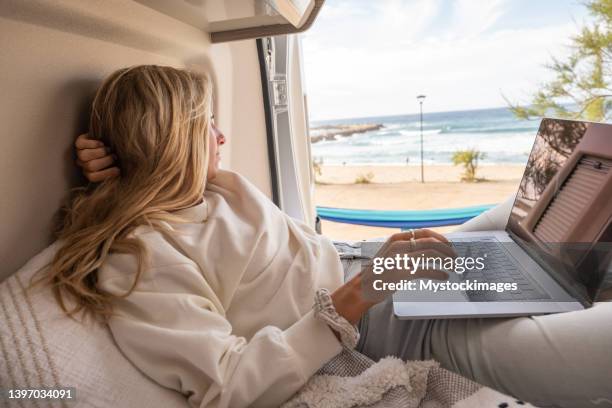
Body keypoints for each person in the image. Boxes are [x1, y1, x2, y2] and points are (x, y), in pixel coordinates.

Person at [48, 65, 452, 408]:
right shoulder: (141, 256)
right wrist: (364, 289)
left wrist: (120, 166)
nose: (221, 136)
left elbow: (154, 164)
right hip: (361, 313)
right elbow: (229, 385)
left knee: (492, 247)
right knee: (506, 332)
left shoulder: (206, 188)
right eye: (206, 125)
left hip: (354, 267)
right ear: (175, 143)